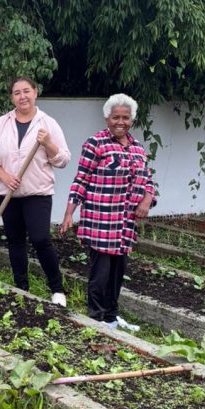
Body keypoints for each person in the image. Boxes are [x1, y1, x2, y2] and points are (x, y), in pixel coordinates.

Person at [60, 93, 156, 331]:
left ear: (132, 120)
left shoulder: (138, 149)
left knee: (117, 272)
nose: (120, 122)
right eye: (116, 117)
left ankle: (112, 316)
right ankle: (96, 317)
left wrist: (146, 200)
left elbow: (149, 182)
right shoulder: (96, 144)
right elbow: (81, 179)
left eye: (125, 117)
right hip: (101, 221)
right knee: (100, 273)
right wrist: (69, 214)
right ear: (107, 119)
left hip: (125, 224)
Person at [0, 77, 70, 306]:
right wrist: (3, 175)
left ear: (35, 93)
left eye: (26, 91)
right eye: (17, 93)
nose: (22, 96)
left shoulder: (48, 124)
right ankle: (22, 287)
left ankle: (57, 289)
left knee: (40, 238)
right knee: (15, 241)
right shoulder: (1, 123)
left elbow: (63, 160)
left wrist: (48, 143)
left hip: (37, 192)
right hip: (6, 192)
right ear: (12, 97)